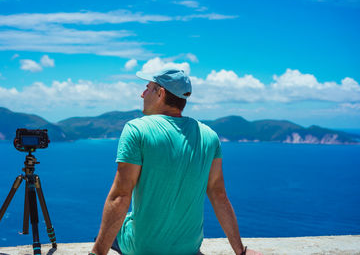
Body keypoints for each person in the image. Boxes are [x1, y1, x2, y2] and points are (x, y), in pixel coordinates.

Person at [90, 69, 262, 255]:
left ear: (160, 93)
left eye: (147, 88)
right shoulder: (209, 136)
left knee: (111, 230)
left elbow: (120, 196)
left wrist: (96, 254)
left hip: (143, 249)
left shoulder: (136, 129)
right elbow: (219, 195)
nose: (142, 94)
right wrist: (241, 251)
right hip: (189, 248)